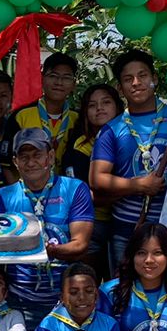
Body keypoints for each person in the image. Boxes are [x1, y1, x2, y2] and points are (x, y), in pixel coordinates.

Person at [0, 128, 95, 330]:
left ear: (51, 157)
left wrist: (48, 250)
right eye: (24, 157)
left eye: (37, 155)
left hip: (65, 299)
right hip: (20, 299)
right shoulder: (4, 196)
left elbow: (80, 245)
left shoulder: (75, 189)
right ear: (15, 162)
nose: (31, 162)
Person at [91, 48, 167, 273]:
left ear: (154, 78)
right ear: (120, 88)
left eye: (143, 75)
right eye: (128, 79)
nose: (136, 83)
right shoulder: (112, 129)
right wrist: (138, 185)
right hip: (127, 228)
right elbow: (97, 179)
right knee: (124, 288)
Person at [66, 83, 122, 272]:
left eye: (106, 102)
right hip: (91, 224)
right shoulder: (80, 147)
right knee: (87, 278)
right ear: (85, 112)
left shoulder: (129, 139)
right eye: (92, 105)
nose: (99, 108)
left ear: (117, 106)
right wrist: (130, 191)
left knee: (119, 280)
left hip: (126, 221)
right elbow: (80, 196)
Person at [0, 52, 79, 175]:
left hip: (67, 186)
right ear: (41, 78)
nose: (59, 82)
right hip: (26, 185)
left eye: (66, 77)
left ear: (74, 84)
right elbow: (7, 165)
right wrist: (21, 188)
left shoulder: (78, 119)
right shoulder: (21, 116)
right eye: (53, 76)